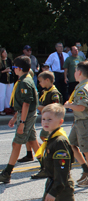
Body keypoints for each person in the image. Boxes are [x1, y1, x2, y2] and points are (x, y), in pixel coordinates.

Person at [0, 56, 40, 184]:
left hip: (26, 116)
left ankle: (7, 173)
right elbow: (23, 104)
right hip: (25, 115)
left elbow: (26, 104)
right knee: (33, 141)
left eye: (14, 68)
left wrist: (21, 122)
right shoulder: (25, 79)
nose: (13, 70)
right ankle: (46, 166)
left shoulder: (24, 82)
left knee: (16, 143)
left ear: (19, 69)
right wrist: (14, 117)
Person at [63, 61, 88, 187]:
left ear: (79, 72)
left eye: (75, 71)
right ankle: (86, 170)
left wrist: (69, 105)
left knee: (87, 150)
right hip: (80, 121)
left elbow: (81, 107)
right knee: (71, 144)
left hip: (85, 122)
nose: (74, 73)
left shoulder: (82, 89)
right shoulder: (85, 85)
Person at [31, 71, 63, 179]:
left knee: (46, 138)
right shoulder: (46, 91)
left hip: (52, 121)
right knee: (43, 137)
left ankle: (50, 156)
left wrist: (41, 108)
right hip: (48, 121)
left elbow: (55, 107)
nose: (39, 83)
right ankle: (48, 152)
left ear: (47, 80)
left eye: (40, 81)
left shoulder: (53, 93)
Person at [0, 48, 14, 115]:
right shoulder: (0, 62)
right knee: (2, 95)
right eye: (4, 52)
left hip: (9, 79)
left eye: (6, 52)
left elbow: (12, 68)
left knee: (9, 95)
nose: (6, 54)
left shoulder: (9, 60)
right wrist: (4, 71)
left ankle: (7, 108)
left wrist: (10, 70)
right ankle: (1, 109)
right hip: (2, 80)